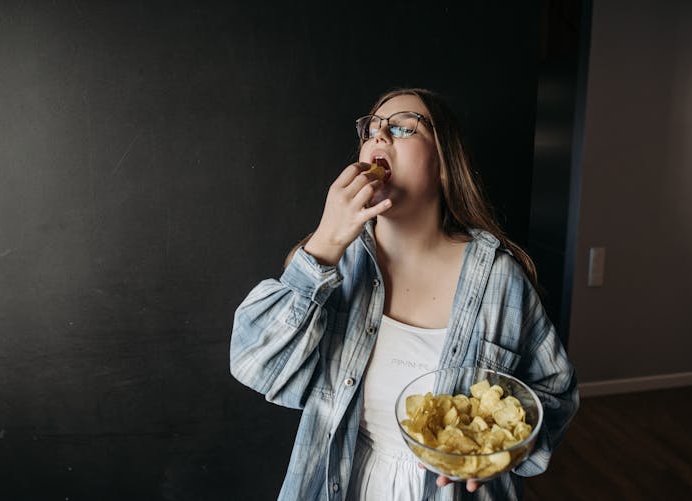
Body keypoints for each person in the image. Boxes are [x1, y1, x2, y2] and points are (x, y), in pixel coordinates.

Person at [230, 88, 578, 500]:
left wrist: (498, 452)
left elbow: (554, 393)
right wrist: (325, 241)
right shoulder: (331, 264)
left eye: (402, 128)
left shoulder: (499, 279)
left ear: (444, 162)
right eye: (371, 129)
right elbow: (253, 365)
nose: (379, 137)